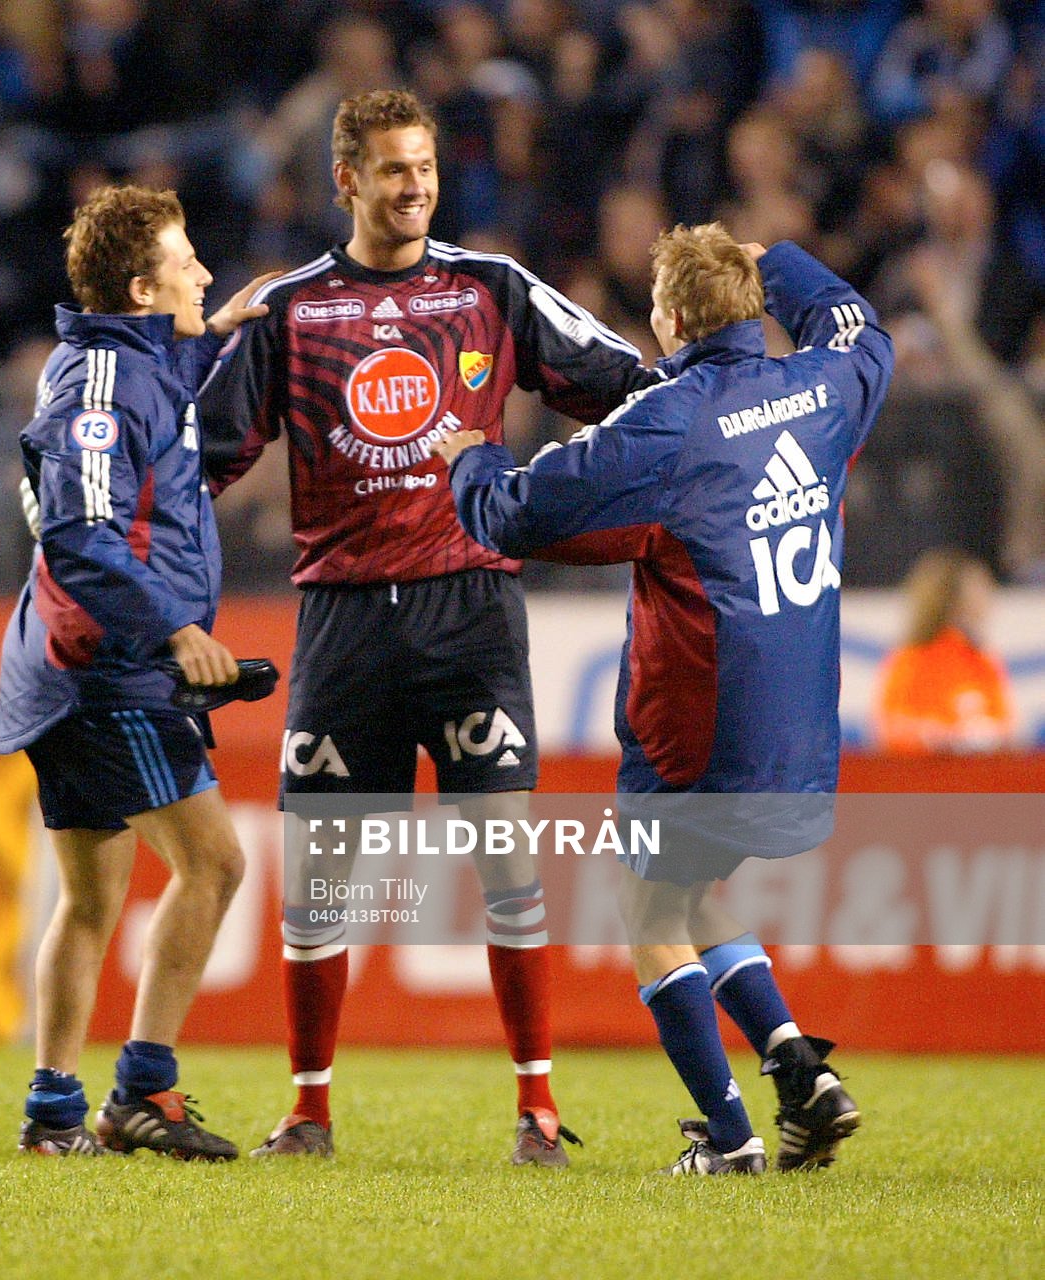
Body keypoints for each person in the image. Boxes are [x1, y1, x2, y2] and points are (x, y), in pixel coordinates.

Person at [200, 88, 662, 1166]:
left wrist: (688, 448)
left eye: (425, 169)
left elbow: (624, 384)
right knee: (319, 876)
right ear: (345, 180)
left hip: (470, 607)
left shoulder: (490, 287)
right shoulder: (289, 309)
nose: (414, 188)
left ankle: (536, 1108)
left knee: (505, 855)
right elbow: (203, 454)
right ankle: (307, 1110)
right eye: (392, 170)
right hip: (343, 616)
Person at [434, 223, 894, 1174]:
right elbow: (861, 326)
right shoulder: (824, 385)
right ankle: (803, 1073)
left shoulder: (671, 420)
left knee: (647, 911)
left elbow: (524, 512)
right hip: (804, 730)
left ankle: (730, 1144)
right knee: (688, 893)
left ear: (671, 318)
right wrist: (786, 264)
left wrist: (466, 459)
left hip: (698, 730)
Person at [0, 184, 272, 1158]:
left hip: (67, 665)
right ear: (144, 286)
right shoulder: (101, 388)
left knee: (90, 900)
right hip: (108, 670)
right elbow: (80, 530)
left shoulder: (122, 360)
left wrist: (214, 333)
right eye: (188, 260)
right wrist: (169, 631)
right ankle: (141, 1091)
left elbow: (143, 387)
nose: (205, 270)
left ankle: (53, 1110)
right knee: (215, 862)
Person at [875, 548, 1016, 753]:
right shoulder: (910, 661)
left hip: (980, 778)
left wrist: (985, 735)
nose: (985, 601)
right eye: (977, 592)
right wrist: (938, 736)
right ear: (952, 600)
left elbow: (1006, 727)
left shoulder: (982, 661)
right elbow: (890, 729)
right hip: (924, 778)